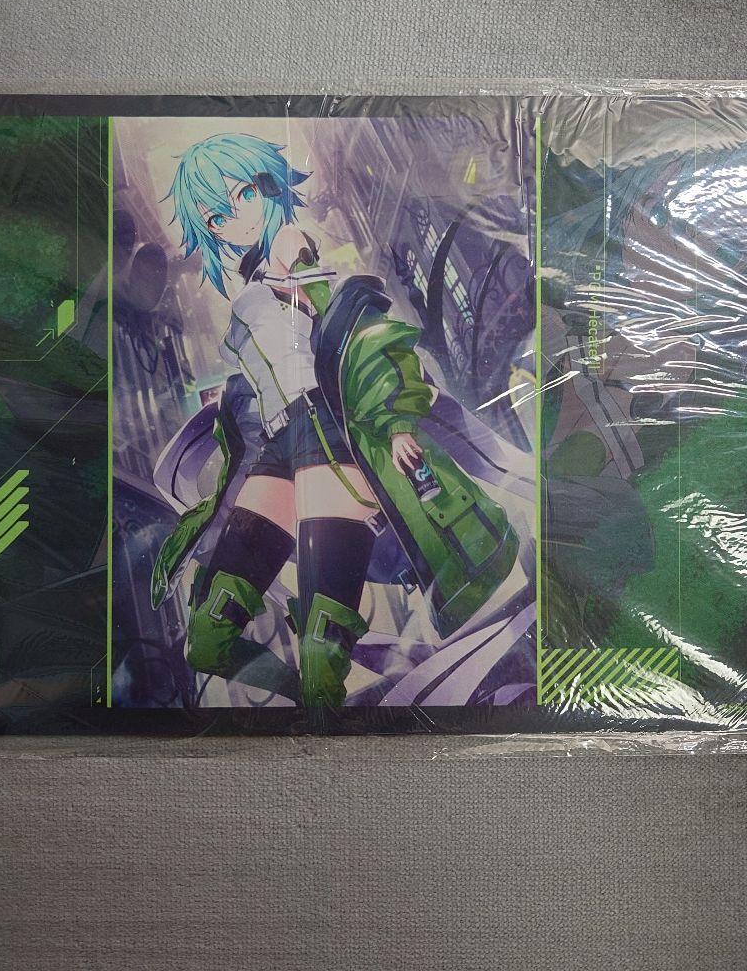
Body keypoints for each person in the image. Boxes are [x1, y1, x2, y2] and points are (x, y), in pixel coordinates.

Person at [151, 133, 519, 711]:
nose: (234, 218)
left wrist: (395, 421)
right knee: (208, 637)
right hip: (277, 441)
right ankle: (305, 702)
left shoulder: (296, 254)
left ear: (270, 188)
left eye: (244, 194)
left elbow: (363, 334)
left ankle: (321, 714)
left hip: (326, 434)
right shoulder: (251, 286)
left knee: (322, 646)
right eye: (217, 216)